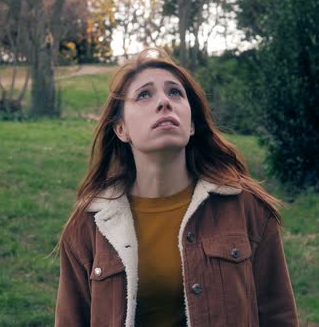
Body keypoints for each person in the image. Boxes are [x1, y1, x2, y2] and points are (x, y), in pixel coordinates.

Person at [55, 48, 298, 327]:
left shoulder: (247, 207)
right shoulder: (88, 226)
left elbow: (279, 317)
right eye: (144, 94)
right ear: (121, 129)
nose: (164, 102)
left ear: (192, 124)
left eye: (175, 93)